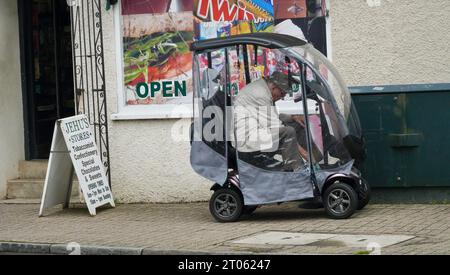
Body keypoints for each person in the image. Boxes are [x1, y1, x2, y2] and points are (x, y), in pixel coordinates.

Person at [233, 71, 304, 171]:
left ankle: (310, 162)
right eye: (282, 93)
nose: (282, 96)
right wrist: (302, 151)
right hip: (248, 143)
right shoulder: (261, 94)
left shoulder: (264, 90)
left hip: (255, 133)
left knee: (294, 125)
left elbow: (271, 117)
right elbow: (276, 126)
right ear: (274, 87)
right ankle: (297, 171)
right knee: (288, 132)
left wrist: (292, 117)